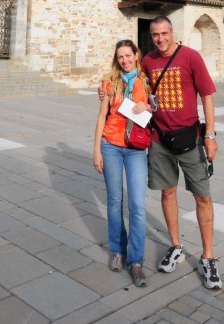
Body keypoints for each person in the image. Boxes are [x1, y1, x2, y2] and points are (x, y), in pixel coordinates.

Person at [99, 16, 221, 289]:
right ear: (151, 36)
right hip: (159, 140)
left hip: (190, 138)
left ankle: (208, 257)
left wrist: (210, 135)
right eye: (155, 34)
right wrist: (104, 86)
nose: (160, 38)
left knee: (203, 197)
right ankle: (176, 245)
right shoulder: (149, 62)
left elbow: (207, 97)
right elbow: (125, 72)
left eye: (164, 33)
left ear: (172, 32)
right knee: (167, 192)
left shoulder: (190, 57)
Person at [92, 39, 152, 287]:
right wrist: (96, 149)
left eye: (129, 55)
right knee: (114, 201)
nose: (125, 60)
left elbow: (156, 106)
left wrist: (147, 104)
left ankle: (136, 260)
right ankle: (117, 249)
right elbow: (101, 116)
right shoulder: (110, 83)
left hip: (136, 149)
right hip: (111, 146)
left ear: (137, 55)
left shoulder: (146, 81)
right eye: (121, 57)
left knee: (137, 205)